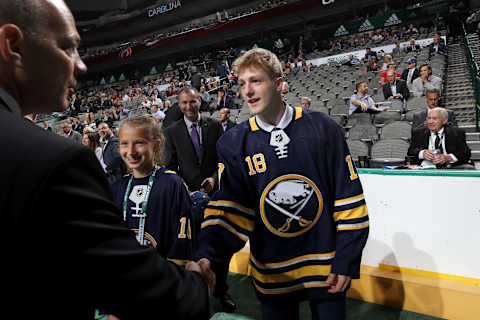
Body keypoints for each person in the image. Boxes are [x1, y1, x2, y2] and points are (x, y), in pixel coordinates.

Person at [0, 0, 210, 319]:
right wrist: (196, 284)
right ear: (13, 45)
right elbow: (141, 292)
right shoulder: (54, 161)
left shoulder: (170, 185)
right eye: (67, 47)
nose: (82, 66)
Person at [195, 48, 369, 320]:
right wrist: (209, 257)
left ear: (279, 84)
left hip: (326, 268)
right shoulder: (233, 143)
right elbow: (230, 212)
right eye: (242, 84)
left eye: (256, 81)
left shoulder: (324, 128)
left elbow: (349, 200)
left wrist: (346, 259)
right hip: (272, 273)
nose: (247, 91)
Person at [164, 87, 236, 311]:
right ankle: (194, 295)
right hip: (187, 201)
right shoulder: (171, 130)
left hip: (215, 196)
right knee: (193, 250)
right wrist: (180, 184)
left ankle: (221, 291)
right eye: (184, 103)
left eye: (193, 102)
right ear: (179, 105)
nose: (189, 107)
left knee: (219, 246)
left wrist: (214, 179)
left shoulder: (214, 125)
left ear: (200, 101)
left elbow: (224, 159)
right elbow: (169, 166)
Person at [112, 115, 194, 265]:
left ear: (156, 145)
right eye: (124, 144)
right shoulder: (118, 187)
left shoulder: (171, 183)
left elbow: (181, 240)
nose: (130, 151)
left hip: (162, 278)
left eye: (139, 143)